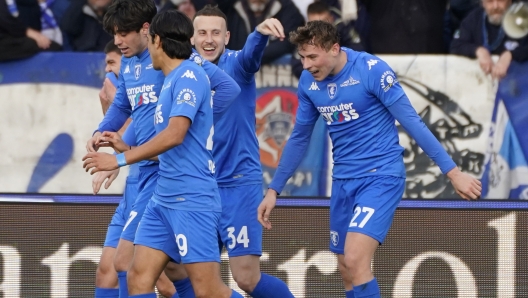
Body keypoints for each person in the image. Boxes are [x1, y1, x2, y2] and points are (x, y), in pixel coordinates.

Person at [257, 21, 482, 298]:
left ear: (335, 48)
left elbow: (411, 121)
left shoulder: (371, 71)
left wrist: (452, 171)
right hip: (343, 180)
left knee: (354, 258)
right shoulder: (308, 82)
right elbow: (299, 137)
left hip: (381, 176)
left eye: (313, 57)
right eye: (302, 57)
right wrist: (273, 189)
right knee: (344, 266)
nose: (306, 65)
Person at [83, 9, 244, 298]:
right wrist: (121, 143)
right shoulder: (168, 79)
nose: (118, 42)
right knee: (137, 275)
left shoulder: (190, 75)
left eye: (123, 33)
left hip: (191, 197)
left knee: (209, 290)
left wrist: (119, 159)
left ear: (154, 39)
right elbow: (163, 142)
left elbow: (174, 135)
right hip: (162, 198)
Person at [186, 5, 294, 297]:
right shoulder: (183, 71)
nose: (209, 40)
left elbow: (251, 56)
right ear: (192, 37)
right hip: (199, 187)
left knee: (246, 278)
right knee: (182, 274)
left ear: (227, 36)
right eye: (203, 33)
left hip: (238, 184)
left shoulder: (237, 64)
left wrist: (259, 35)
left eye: (216, 33)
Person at [450, 0, 528, 80]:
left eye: (501, 1)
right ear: (482, 3)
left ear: (510, 1)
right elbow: (456, 46)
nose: (495, 6)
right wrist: (478, 50)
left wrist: (511, 55)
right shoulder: (473, 19)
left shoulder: (523, 17)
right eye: (490, 1)